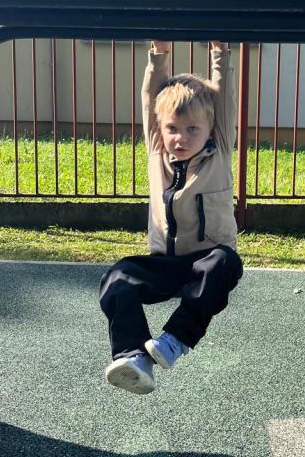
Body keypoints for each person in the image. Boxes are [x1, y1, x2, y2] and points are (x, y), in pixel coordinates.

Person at [99, 40, 243, 395]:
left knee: (225, 262)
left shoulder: (220, 150)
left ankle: (174, 340)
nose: (181, 138)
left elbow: (224, 100)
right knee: (117, 276)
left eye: (193, 129)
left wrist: (220, 53)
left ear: (210, 128)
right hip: (166, 263)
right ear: (160, 129)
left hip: (208, 262)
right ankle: (133, 356)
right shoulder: (156, 150)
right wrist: (159, 54)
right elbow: (151, 100)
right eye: (173, 128)